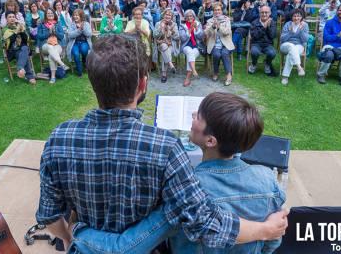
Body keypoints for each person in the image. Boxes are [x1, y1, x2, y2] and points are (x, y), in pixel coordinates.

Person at [36, 33, 289, 252]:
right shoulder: (165, 146)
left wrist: (70, 241)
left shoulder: (59, 138)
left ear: (93, 83)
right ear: (143, 85)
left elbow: (49, 214)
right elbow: (203, 221)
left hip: (88, 242)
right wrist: (265, 231)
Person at [317, 3, 341, 86]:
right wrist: (338, 35)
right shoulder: (329, 22)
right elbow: (326, 37)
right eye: (340, 10)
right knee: (329, 55)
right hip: (329, 45)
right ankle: (321, 74)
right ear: (337, 11)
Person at [2, 11, 36, 84]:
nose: (12, 19)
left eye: (13, 17)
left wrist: (22, 32)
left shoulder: (20, 26)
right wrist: (16, 32)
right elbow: (7, 43)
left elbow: (26, 40)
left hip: (22, 48)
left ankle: (20, 69)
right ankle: (30, 77)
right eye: (10, 17)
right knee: (25, 53)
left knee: (25, 48)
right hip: (13, 51)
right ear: (6, 19)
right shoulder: (5, 29)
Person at [204, 2, 234, 86]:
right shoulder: (210, 21)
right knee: (216, 54)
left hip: (225, 44)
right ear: (213, 11)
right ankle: (215, 72)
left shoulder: (226, 19)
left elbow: (227, 32)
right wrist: (213, 26)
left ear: (221, 11)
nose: (217, 12)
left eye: (218, 10)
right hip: (214, 44)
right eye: (215, 10)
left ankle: (228, 75)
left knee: (224, 53)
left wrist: (219, 27)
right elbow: (206, 32)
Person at [37, 8, 69, 84]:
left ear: (54, 14)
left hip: (58, 45)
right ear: (45, 15)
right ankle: (61, 64)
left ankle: (53, 77)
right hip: (45, 45)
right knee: (50, 47)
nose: (50, 14)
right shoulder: (41, 24)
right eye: (48, 13)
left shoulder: (58, 24)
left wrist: (55, 31)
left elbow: (61, 36)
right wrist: (49, 32)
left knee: (52, 55)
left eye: (51, 13)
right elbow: (39, 36)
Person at [279, 9, 308, 85]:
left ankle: (285, 77)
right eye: (294, 16)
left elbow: (305, 40)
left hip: (299, 46)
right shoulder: (288, 24)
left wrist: (301, 31)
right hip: (286, 45)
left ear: (301, 17)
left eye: (298, 16)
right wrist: (290, 32)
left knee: (291, 54)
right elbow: (282, 38)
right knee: (291, 46)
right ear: (291, 17)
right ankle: (299, 67)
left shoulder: (305, 25)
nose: (296, 18)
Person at [248, 5, 278, 76]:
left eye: (266, 12)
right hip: (256, 43)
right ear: (259, 13)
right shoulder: (254, 23)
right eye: (262, 12)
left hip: (268, 44)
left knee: (272, 53)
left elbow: (273, 36)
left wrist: (268, 27)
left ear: (270, 13)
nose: (264, 14)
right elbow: (255, 36)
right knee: (254, 52)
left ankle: (267, 63)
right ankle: (254, 63)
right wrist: (264, 28)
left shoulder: (272, 22)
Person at [179, 9, 205, 87]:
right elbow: (183, 38)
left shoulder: (198, 24)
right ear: (185, 18)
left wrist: (196, 28)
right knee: (189, 51)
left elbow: (201, 36)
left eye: (191, 16)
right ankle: (193, 71)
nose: (189, 17)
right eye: (187, 16)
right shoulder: (182, 26)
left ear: (194, 17)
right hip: (186, 46)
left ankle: (188, 76)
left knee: (192, 53)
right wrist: (190, 29)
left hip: (197, 46)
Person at [153, 8, 179, 83]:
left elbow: (177, 37)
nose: (168, 16)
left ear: (171, 17)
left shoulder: (174, 25)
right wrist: (161, 28)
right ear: (163, 15)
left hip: (171, 45)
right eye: (166, 14)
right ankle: (171, 65)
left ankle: (164, 74)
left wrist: (172, 32)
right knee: (163, 46)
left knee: (165, 51)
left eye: (170, 15)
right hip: (161, 44)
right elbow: (155, 35)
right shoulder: (158, 23)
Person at [67, 9, 92, 77]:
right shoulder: (72, 24)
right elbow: (70, 35)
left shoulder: (86, 24)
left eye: (77, 15)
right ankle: (79, 70)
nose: (75, 17)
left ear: (81, 16)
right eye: (74, 15)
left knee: (84, 50)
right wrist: (79, 30)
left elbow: (89, 34)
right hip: (74, 43)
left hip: (84, 42)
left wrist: (83, 29)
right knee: (76, 54)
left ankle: (84, 61)